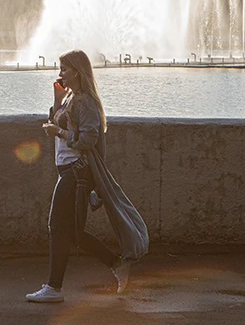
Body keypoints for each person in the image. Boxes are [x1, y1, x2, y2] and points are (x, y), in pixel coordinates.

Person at [25, 49, 149, 303]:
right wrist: (57, 100)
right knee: (73, 232)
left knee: (57, 226)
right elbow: (60, 124)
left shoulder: (85, 102)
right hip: (68, 169)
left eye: (64, 69)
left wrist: (59, 133)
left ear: (78, 72)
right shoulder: (72, 98)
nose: (60, 73)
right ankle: (117, 264)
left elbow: (88, 139)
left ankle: (54, 288)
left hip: (76, 171)